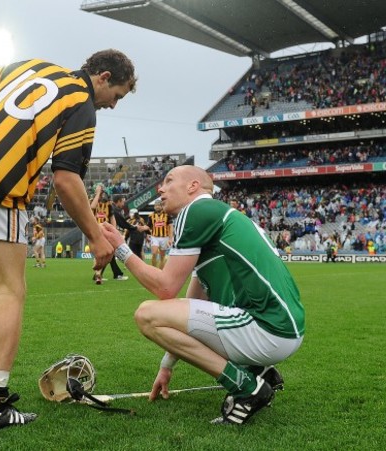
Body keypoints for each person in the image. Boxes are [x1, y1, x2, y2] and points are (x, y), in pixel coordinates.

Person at [0, 49, 136, 431]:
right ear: (103, 77)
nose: (113, 105)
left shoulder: (34, 66)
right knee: (10, 289)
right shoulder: (82, 102)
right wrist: (95, 237)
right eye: (117, 95)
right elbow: (67, 178)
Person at [101, 165, 305, 425]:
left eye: (169, 181)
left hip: (268, 328)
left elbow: (166, 288)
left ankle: (247, 387)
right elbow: (185, 306)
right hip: (283, 329)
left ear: (193, 186)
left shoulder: (196, 210)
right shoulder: (217, 217)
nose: (160, 189)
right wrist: (167, 365)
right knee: (161, 314)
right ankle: (259, 371)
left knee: (145, 314)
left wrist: (121, 249)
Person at [91, 186, 127, 283]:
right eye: (100, 193)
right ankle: (98, 274)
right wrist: (97, 194)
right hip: (94, 230)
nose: (102, 194)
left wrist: (114, 231)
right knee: (99, 253)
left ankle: (98, 274)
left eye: (102, 192)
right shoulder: (93, 201)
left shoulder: (108, 205)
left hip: (105, 231)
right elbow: (92, 207)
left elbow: (112, 218)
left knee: (106, 253)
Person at [148, 201, 173, 269]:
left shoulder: (167, 215)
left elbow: (171, 227)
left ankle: (160, 271)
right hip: (154, 237)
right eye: (156, 205)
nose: (157, 207)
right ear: (154, 207)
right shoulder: (151, 216)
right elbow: (148, 227)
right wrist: (147, 234)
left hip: (165, 237)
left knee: (162, 256)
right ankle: (153, 270)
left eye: (159, 205)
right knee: (154, 253)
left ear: (162, 206)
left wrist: (170, 238)